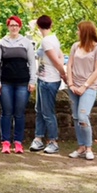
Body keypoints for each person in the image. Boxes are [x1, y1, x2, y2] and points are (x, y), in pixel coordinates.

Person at [0, 16, 36, 154]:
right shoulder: (1, 43)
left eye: (16, 25)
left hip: (23, 83)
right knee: (6, 113)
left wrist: (32, 81)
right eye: (11, 25)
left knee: (19, 114)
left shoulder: (26, 43)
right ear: (8, 27)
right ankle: (5, 142)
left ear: (20, 27)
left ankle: (18, 142)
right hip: (6, 83)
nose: (14, 27)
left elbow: (32, 63)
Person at [66, 21, 97, 161]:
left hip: (89, 87)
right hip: (73, 86)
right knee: (76, 117)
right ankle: (81, 146)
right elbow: (69, 64)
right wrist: (70, 83)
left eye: (78, 30)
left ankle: (88, 147)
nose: (77, 32)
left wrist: (85, 86)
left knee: (83, 116)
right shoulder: (75, 46)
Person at [29, 15, 66, 155]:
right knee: (39, 109)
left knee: (48, 112)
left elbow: (57, 62)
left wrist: (64, 75)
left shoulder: (46, 41)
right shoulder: (53, 39)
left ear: (38, 27)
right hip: (42, 79)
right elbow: (61, 57)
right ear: (51, 25)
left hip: (49, 81)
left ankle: (53, 141)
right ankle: (38, 138)